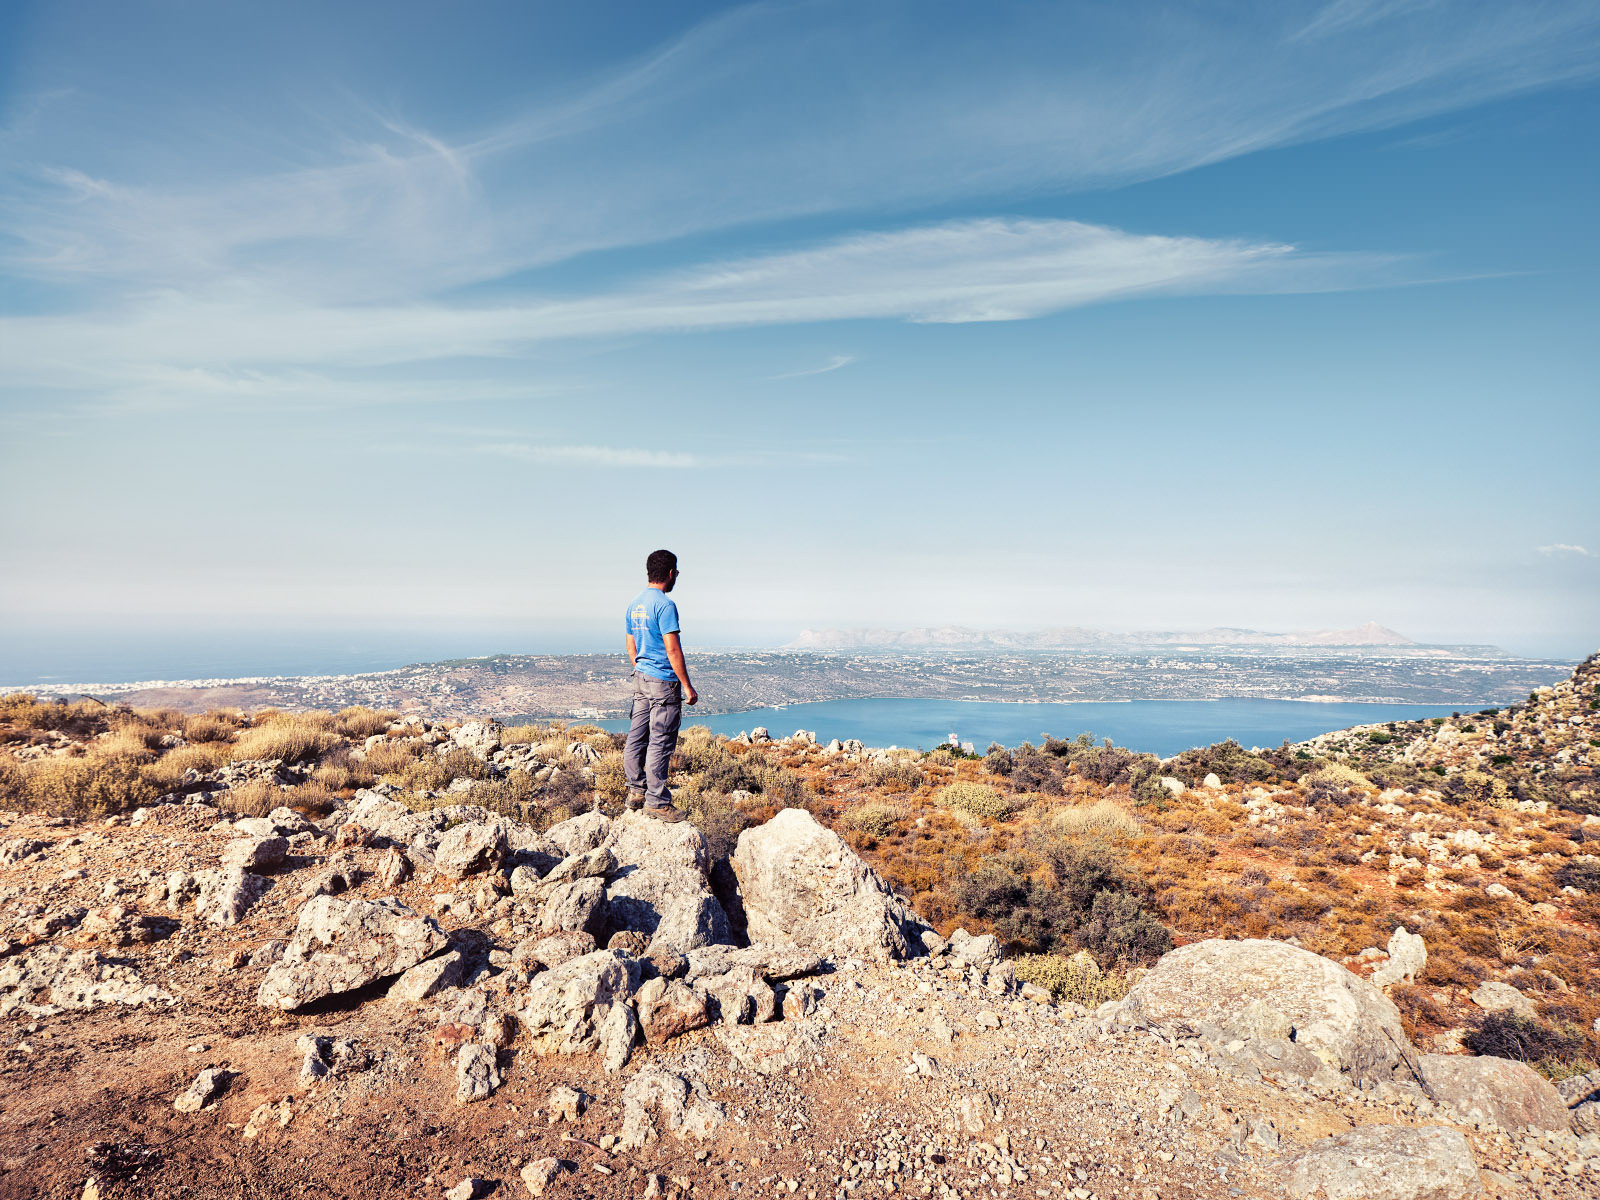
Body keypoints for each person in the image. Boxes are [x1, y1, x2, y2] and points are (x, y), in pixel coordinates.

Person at [623, 549, 698, 820]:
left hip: (641, 678)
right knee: (660, 741)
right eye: (676, 572)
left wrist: (640, 667)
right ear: (670, 573)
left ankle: (636, 791)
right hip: (663, 682)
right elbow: (673, 650)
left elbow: (631, 643)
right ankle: (656, 801)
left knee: (637, 735)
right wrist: (687, 686)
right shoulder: (665, 605)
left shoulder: (635, 603)